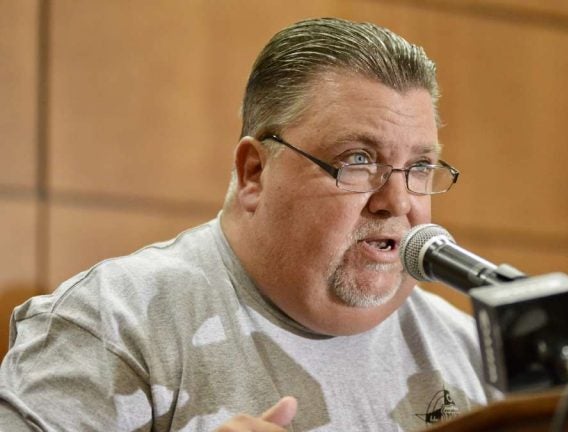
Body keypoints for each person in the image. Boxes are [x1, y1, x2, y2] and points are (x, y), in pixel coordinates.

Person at [0, 18, 499, 431]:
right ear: (254, 173)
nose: (397, 202)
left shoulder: (473, 350)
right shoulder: (111, 325)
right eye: (358, 159)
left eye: (418, 168)